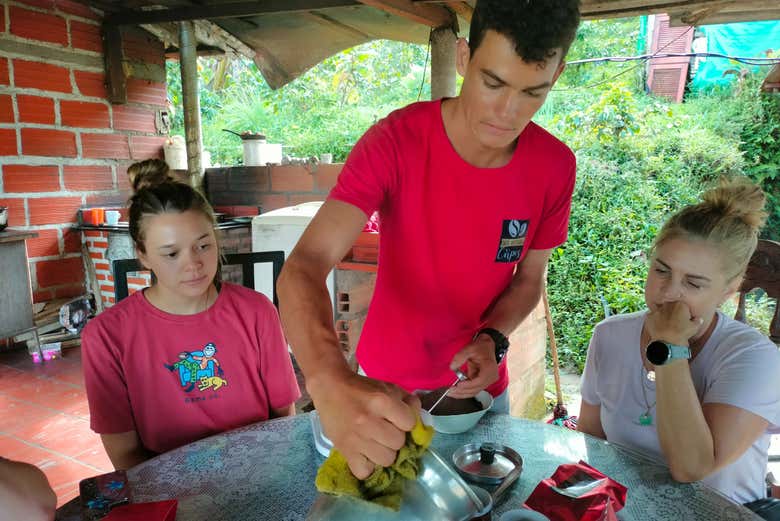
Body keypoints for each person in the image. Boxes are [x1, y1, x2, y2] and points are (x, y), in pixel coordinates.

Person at [278, 0, 581, 479]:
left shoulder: (554, 166)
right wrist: (330, 380)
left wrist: (492, 339)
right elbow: (305, 266)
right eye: (493, 82)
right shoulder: (396, 141)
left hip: (480, 394)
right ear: (463, 58)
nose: (507, 112)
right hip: (385, 388)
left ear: (558, 75)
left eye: (532, 92)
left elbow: (528, 281)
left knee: (482, 508)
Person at [578, 177, 780, 518]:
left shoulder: (754, 359)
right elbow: (593, 441)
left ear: (730, 290)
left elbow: (692, 467)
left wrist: (669, 345)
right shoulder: (609, 336)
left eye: (693, 283)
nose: (669, 292)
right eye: (661, 270)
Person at [82, 159, 300, 470]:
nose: (193, 264)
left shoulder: (257, 311)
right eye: (171, 253)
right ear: (142, 254)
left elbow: (283, 418)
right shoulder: (106, 336)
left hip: (256, 471)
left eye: (203, 246)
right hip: (170, 492)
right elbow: (125, 456)